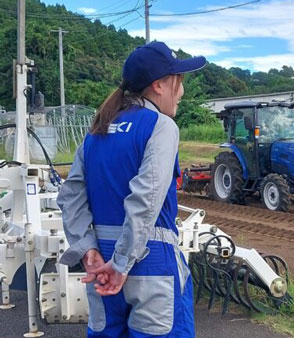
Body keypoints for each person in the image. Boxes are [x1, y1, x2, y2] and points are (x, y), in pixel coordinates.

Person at [57, 41, 207, 337]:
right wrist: (122, 263)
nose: (182, 92)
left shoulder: (98, 129)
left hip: (101, 264)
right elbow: (145, 200)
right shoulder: (161, 126)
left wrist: (88, 250)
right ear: (159, 85)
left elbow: (71, 194)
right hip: (150, 264)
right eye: (179, 82)